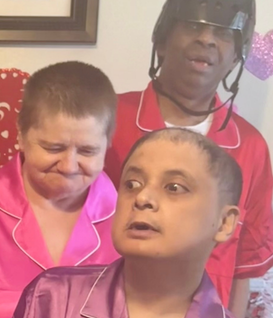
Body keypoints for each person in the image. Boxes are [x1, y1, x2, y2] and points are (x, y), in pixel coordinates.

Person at [103, 0, 272, 315]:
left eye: (222, 32)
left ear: (237, 54)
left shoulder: (252, 147)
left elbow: (244, 268)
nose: (207, 39)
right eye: (194, 26)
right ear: (163, 41)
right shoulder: (105, 120)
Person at [0, 61, 120, 318]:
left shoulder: (130, 219)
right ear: (20, 135)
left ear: (107, 143)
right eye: (53, 148)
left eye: (87, 151)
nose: (68, 166)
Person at [15, 128, 242, 318]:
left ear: (224, 223)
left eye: (173, 187)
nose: (142, 198)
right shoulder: (53, 297)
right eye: (132, 184)